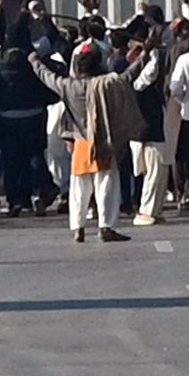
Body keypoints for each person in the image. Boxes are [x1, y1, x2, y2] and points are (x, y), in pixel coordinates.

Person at [26, 36, 139, 243]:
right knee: (106, 185)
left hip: (80, 143)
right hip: (102, 141)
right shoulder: (107, 84)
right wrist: (146, 55)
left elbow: (47, 76)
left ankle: (78, 228)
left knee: (79, 189)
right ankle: (106, 226)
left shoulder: (68, 86)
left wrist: (35, 62)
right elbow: (128, 76)